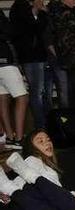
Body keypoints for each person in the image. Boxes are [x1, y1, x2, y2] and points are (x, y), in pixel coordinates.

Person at [0, 129, 75, 210]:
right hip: (28, 194)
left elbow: (54, 190)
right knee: (73, 207)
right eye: (40, 141)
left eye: (48, 140)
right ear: (31, 147)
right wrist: (5, 194)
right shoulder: (32, 160)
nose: (47, 143)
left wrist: (73, 194)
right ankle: (10, 186)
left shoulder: (47, 167)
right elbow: (21, 182)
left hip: (40, 199)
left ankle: (9, 186)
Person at [10, 0, 49, 130]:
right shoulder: (18, 8)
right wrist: (34, 12)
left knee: (41, 92)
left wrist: (40, 13)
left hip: (39, 55)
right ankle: (41, 125)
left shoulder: (39, 10)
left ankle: (44, 123)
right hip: (28, 56)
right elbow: (22, 31)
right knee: (36, 92)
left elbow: (43, 28)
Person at [0, 8, 29, 149]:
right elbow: (9, 31)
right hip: (5, 62)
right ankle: (18, 138)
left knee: (3, 99)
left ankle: (10, 137)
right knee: (22, 98)